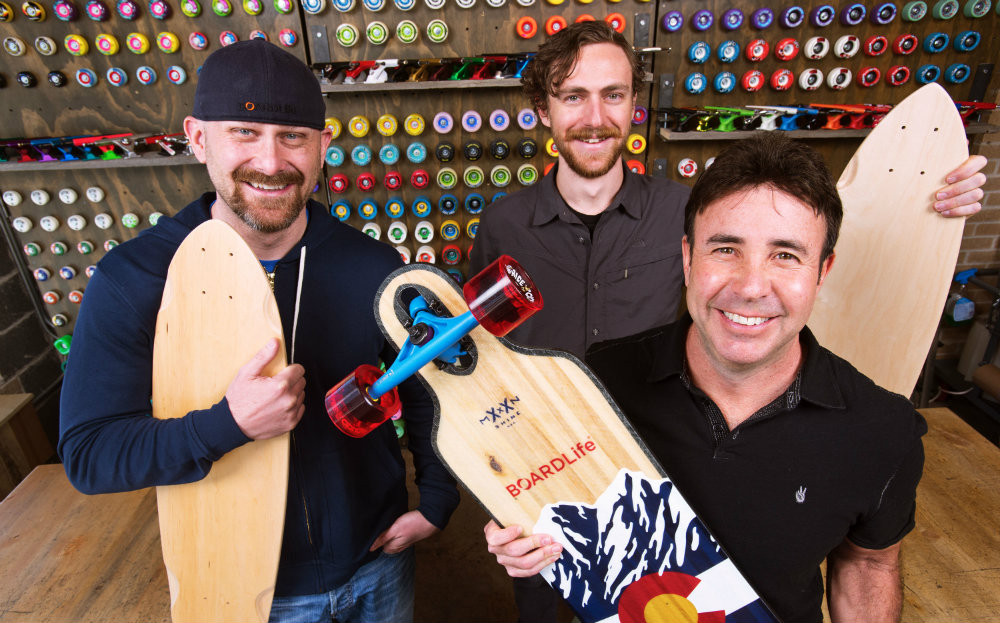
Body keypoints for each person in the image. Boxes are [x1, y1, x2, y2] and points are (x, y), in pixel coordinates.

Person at [470, 20, 987, 621]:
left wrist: (928, 201)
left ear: (634, 103)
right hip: (554, 473)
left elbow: (798, 217)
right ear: (544, 108)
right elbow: (485, 354)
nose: (594, 116)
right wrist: (503, 477)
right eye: (572, 95)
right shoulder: (503, 226)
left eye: (612, 94)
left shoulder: (686, 209)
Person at [58, 40, 459, 623]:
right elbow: (90, 455)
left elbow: (426, 384)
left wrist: (438, 498)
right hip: (238, 589)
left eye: (292, 136)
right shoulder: (136, 277)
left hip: (378, 565)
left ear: (323, 145)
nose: (271, 162)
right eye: (244, 133)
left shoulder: (373, 264)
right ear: (198, 139)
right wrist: (227, 425)